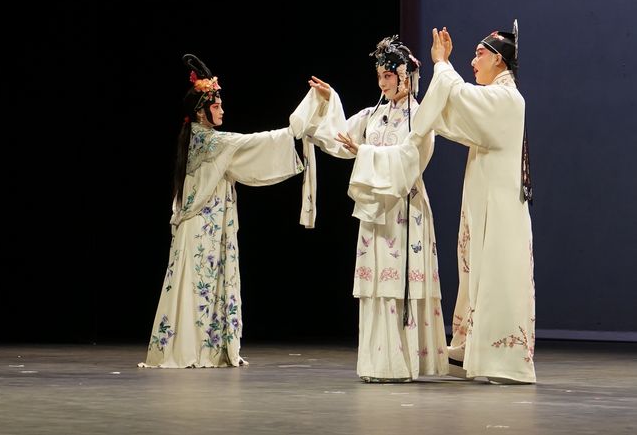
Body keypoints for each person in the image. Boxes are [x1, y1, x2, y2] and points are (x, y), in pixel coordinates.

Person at [139, 54, 336, 368]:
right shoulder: (210, 142)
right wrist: (309, 108)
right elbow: (256, 143)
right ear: (200, 112)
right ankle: (193, 349)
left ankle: (208, 349)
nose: (222, 110)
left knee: (206, 284)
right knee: (197, 286)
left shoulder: (202, 140)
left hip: (207, 226)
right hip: (201, 228)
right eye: (216, 106)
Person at [307, 36, 448, 383]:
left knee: (397, 283)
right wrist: (329, 101)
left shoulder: (419, 118)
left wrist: (365, 152)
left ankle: (402, 364)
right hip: (374, 211)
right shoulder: (375, 114)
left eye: (388, 76)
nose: (382, 83)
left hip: (404, 209)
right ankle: (378, 364)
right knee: (376, 285)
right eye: (380, 76)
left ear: (405, 76)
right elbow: (338, 139)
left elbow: (411, 158)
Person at [411, 23, 536, 385]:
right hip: (488, 202)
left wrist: (441, 63)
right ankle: (472, 348)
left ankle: (503, 359)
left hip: (500, 209)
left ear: (499, 59)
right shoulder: (498, 97)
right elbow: (459, 111)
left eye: (479, 54)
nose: (473, 61)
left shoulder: (508, 99)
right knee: (477, 267)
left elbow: (460, 98)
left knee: (496, 271)